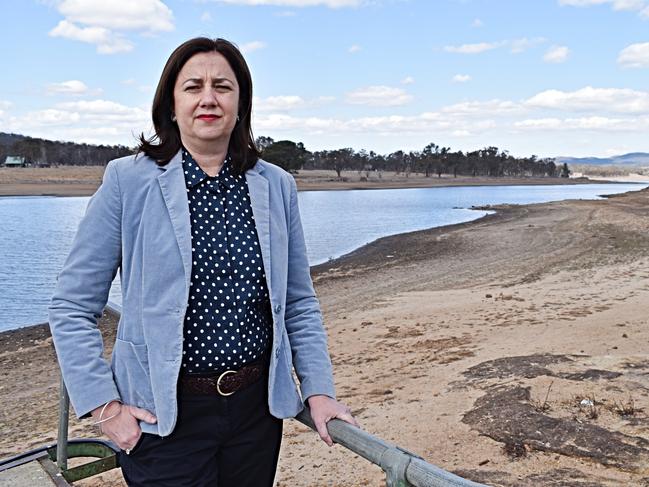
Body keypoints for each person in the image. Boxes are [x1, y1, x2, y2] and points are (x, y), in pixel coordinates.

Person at [48, 37, 357, 487]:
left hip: (255, 416)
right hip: (161, 419)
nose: (208, 98)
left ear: (240, 103)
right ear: (172, 104)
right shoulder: (127, 181)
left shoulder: (277, 186)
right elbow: (72, 305)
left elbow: (298, 303)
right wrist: (104, 408)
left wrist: (319, 390)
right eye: (193, 86)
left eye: (223, 87)